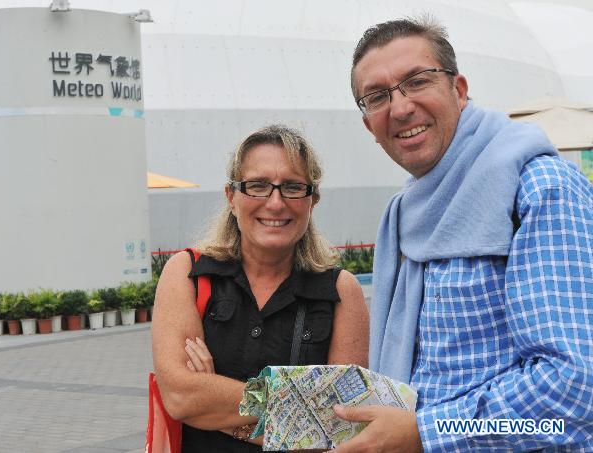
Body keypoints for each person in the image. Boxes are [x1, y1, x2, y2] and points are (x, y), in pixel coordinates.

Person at [332, 16, 593, 452]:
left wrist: (425, 433)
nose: (399, 108)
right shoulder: (405, 212)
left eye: (417, 81)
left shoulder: (537, 188)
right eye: (377, 97)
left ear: (459, 89)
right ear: (368, 126)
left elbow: (575, 388)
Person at [151, 124, 369, 452]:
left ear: (313, 200)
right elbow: (182, 397)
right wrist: (297, 411)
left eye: (293, 187)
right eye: (258, 186)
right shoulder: (189, 275)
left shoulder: (340, 292)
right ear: (231, 197)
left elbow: (339, 425)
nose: (276, 202)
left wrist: (214, 402)